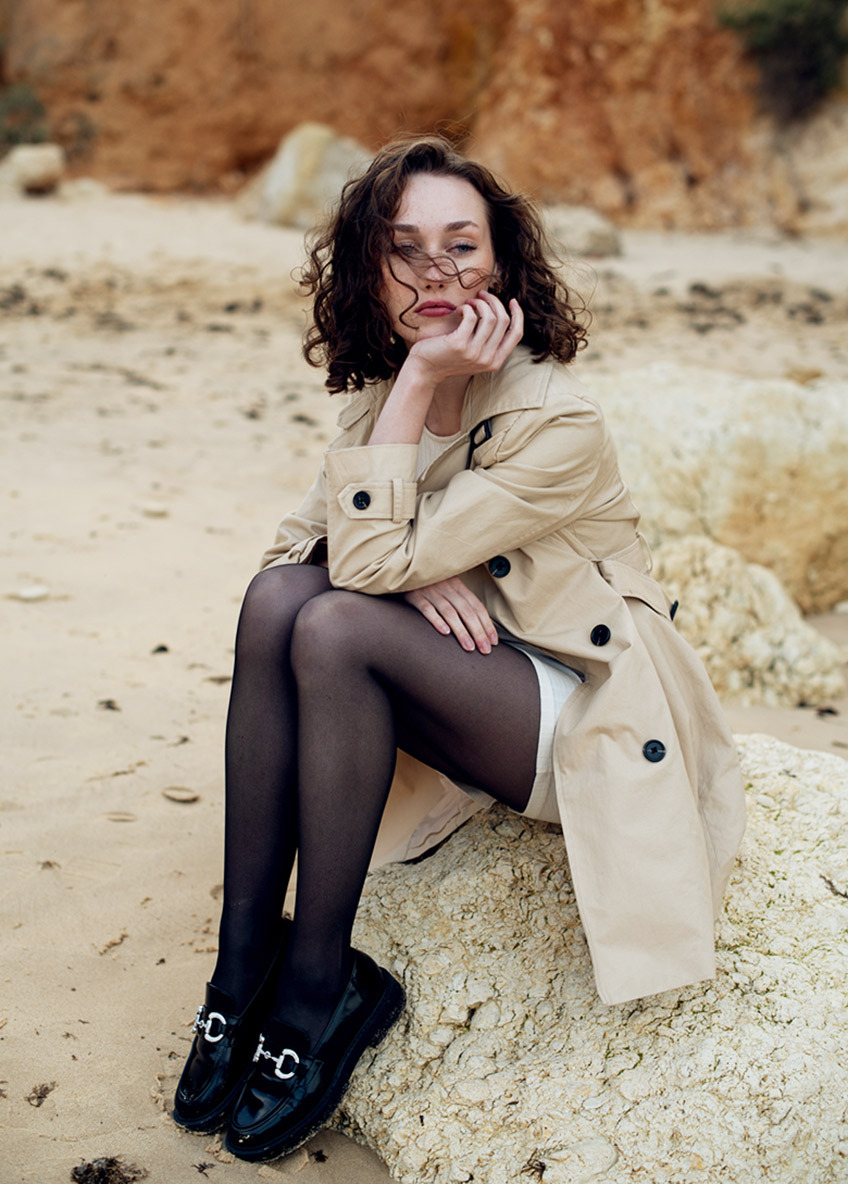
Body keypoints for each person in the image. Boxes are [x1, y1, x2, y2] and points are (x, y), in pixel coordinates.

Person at [172, 136, 746, 1162]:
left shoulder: (556, 418)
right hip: (464, 674)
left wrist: (392, 559)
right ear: (369, 271)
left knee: (336, 623)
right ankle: (241, 963)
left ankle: (318, 986)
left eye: (460, 246)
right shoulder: (380, 399)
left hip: (579, 705)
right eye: (404, 250)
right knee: (279, 603)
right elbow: (288, 556)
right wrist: (407, 501)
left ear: (503, 265)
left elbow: (358, 566)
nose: (434, 274)